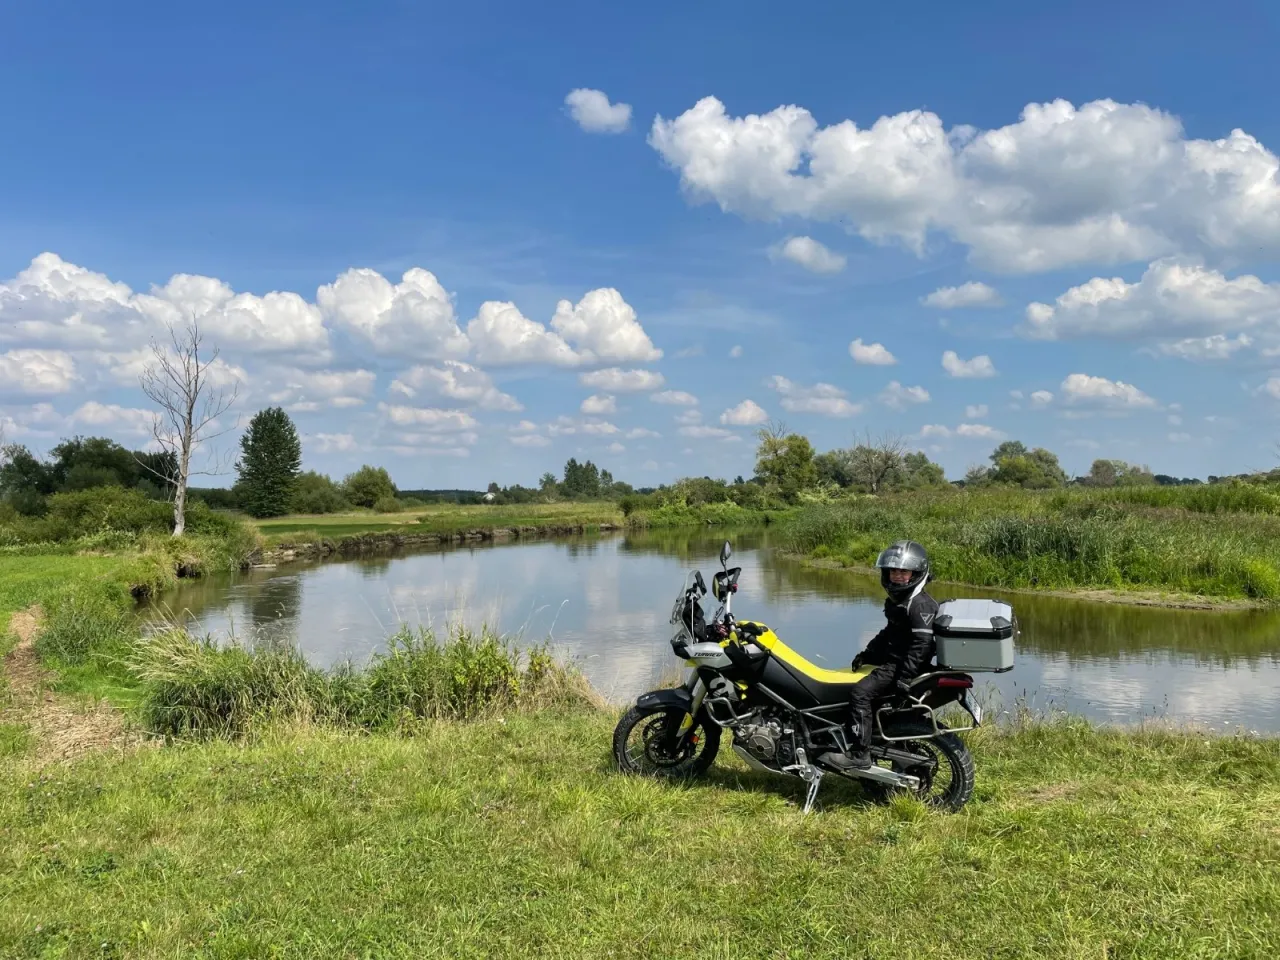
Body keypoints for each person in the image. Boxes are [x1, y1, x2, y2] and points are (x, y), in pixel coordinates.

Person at [820, 540, 938, 771]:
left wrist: (904, 677)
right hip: (897, 662)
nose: (897, 576)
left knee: (859, 694)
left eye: (903, 571)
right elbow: (890, 633)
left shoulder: (919, 605)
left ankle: (858, 754)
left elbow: (922, 645)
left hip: (903, 666)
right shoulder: (901, 601)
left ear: (916, 573)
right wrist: (868, 654)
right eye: (893, 571)